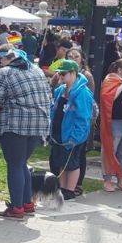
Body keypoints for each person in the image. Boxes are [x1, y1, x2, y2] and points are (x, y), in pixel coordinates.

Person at [0, 45, 52, 219]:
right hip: (39, 124)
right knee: (22, 163)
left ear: (5, 58)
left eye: (1, 59)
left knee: (15, 165)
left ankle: (16, 208)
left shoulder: (5, 72)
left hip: (15, 124)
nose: (0, 62)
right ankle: (27, 203)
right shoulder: (37, 70)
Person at [48, 60, 94, 200]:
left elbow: (84, 117)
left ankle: (70, 189)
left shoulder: (82, 93)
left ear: (73, 73)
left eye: (63, 73)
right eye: (59, 73)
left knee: (72, 163)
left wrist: (76, 136)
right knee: (61, 162)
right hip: (58, 133)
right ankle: (62, 187)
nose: (60, 76)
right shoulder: (60, 90)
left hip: (72, 134)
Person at [99, 58, 122, 192]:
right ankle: (107, 180)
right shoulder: (111, 80)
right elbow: (108, 97)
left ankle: (121, 180)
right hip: (114, 120)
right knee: (110, 149)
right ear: (120, 70)